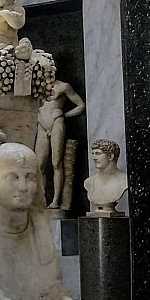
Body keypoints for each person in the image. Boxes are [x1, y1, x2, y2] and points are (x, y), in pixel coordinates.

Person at [0, 143, 110, 300]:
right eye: (13, 177)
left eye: (30, 177)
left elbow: (48, 290)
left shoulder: (39, 223)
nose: (23, 187)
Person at [35, 80, 85, 209]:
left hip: (56, 122)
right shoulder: (37, 84)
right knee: (39, 164)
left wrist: (64, 115)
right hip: (41, 125)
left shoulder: (63, 86)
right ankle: (42, 199)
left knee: (56, 162)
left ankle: (56, 200)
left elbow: (81, 105)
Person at [83, 139, 128, 214]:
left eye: (98, 153)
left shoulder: (125, 181)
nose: (94, 158)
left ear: (110, 156)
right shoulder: (89, 182)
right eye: (93, 154)